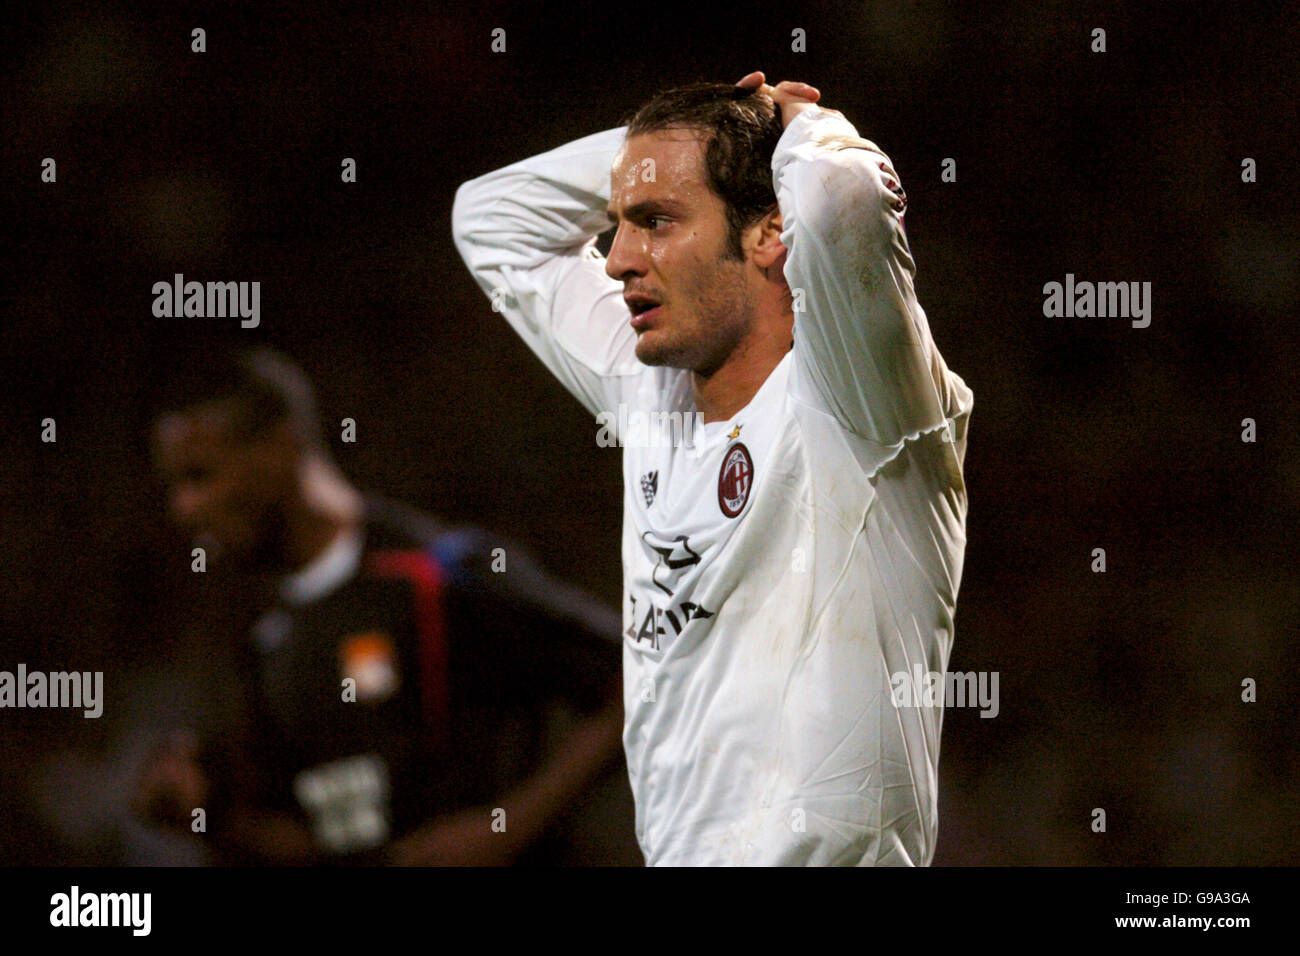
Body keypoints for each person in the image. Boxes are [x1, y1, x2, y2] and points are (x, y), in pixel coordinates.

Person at [452, 72, 974, 865]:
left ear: (770, 231)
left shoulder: (865, 404)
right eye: (621, 223)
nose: (620, 257)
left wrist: (793, 126)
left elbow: (840, 198)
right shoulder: (649, 391)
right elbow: (490, 219)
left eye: (656, 222)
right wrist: (672, 156)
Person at [135, 346, 627, 865]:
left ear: (280, 447)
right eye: (174, 486)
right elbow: (312, 841)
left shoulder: (440, 572)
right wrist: (206, 817)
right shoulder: (252, 631)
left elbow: (633, 682)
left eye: (199, 476)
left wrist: (507, 830)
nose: (183, 508)